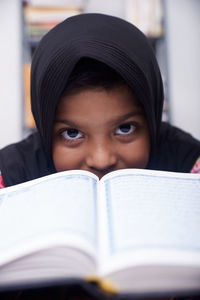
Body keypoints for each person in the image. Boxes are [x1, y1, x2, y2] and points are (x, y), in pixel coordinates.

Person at [0, 13, 200, 300]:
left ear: (152, 115)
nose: (101, 159)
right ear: (45, 127)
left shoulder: (188, 164)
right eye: (71, 133)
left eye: (125, 128)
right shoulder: (12, 176)